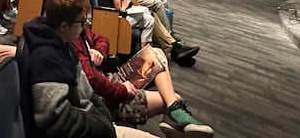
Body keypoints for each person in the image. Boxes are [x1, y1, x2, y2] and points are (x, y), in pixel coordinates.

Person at [21, 0, 157, 138]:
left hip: (94, 119)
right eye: (82, 21)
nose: (84, 25)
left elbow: (87, 93)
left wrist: (101, 117)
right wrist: (101, 125)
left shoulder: (62, 40)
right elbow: (55, 121)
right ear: (65, 26)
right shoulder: (47, 60)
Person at [72, 25, 213, 137]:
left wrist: (99, 50)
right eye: (81, 19)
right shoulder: (68, 42)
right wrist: (121, 89)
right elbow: (90, 79)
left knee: (157, 53)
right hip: (106, 94)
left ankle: (174, 109)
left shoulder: (78, 29)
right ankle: (174, 108)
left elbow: (102, 39)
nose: (85, 22)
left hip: (110, 78)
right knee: (173, 97)